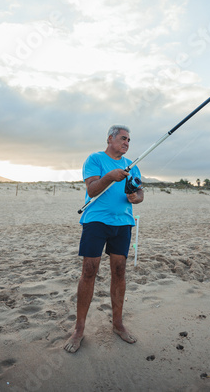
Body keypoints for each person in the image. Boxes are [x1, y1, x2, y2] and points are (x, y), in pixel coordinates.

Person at [64, 124, 144, 353]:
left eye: (129, 140)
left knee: (119, 270)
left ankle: (118, 324)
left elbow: (140, 193)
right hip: (96, 220)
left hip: (123, 222)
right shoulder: (95, 159)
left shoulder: (132, 166)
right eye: (123, 138)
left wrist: (136, 197)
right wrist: (110, 177)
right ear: (110, 139)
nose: (127, 143)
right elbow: (92, 190)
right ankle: (79, 329)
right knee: (89, 270)